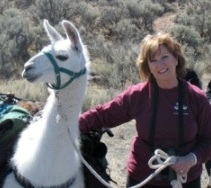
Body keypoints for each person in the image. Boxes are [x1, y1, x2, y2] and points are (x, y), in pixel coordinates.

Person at [79, 33, 211, 188]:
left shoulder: (196, 98)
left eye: (164, 57)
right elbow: (103, 115)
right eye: (153, 60)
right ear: (147, 66)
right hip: (142, 178)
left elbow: (209, 139)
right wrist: (70, 124)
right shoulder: (138, 95)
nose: (159, 64)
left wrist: (191, 159)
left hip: (185, 179)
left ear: (176, 59)